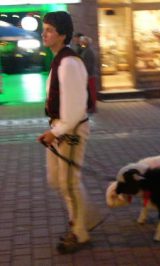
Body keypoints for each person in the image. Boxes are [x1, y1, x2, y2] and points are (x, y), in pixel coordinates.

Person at [37, 11, 101, 254]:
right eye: (44, 29)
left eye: (50, 29)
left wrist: (57, 131)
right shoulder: (59, 60)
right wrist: (54, 129)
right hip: (61, 127)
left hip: (71, 130)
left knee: (68, 182)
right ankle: (86, 216)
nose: (44, 33)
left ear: (63, 34)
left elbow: (75, 108)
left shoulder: (69, 62)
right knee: (56, 179)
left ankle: (79, 232)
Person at [79, 35, 97, 112]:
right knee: (88, 92)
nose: (80, 42)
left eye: (82, 41)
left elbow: (88, 64)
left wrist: (85, 73)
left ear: (85, 42)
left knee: (91, 92)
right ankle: (90, 106)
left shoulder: (88, 51)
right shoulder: (86, 50)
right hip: (88, 74)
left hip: (89, 75)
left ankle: (92, 107)